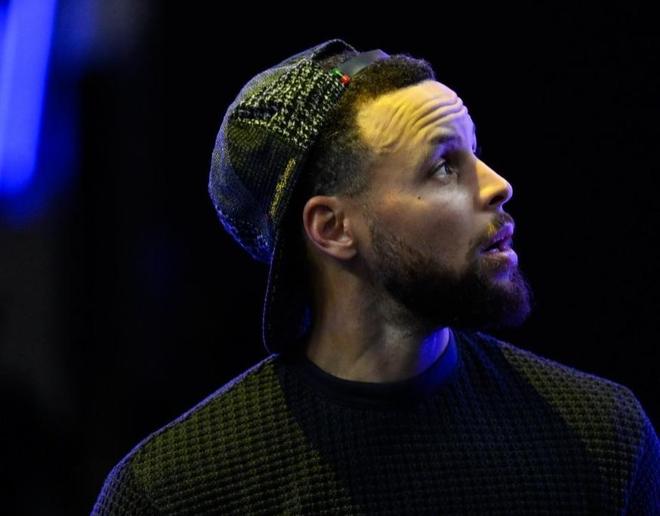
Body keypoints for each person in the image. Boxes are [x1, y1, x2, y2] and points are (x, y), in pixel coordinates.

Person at [92, 39, 659, 515]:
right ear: (333, 228)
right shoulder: (173, 495)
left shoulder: (601, 439)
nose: (498, 185)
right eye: (444, 166)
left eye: (476, 152)